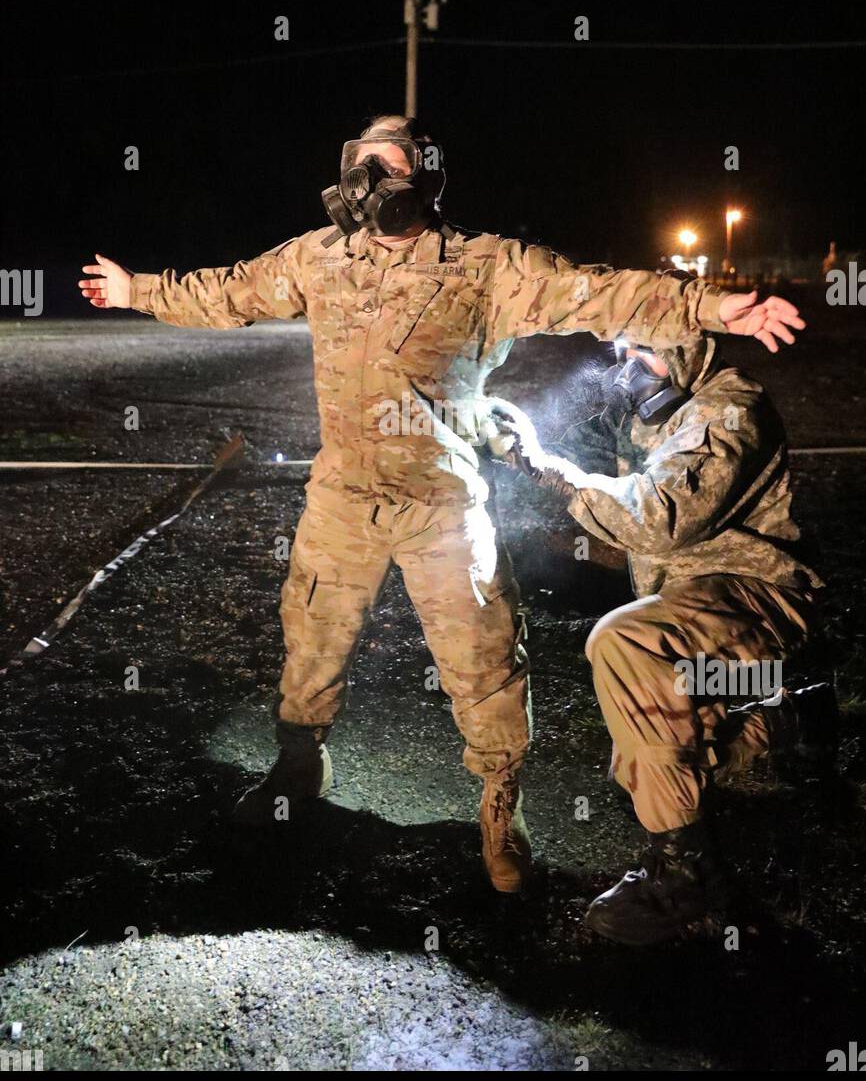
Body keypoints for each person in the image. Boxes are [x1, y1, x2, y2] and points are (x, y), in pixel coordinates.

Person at [78, 114, 806, 895]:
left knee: (483, 665)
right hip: (343, 498)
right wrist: (135, 291)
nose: (367, 185)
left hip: (442, 507)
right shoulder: (317, 258)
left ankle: (500, 808)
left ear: (424, 180)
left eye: (386, 169)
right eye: (359, 166)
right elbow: (226, 292)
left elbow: (595, 290)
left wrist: (713, 308)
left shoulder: (486, 268)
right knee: (311, 645)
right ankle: (297, 771)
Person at [487, 334, 832, 941]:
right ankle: (789, 717)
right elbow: (576, 457)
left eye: (640, 352)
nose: (624, 368)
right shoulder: (660, 413)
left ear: (686, 349)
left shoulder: (728, 412)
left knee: (626, 649)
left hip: (763, 608)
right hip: (713, 643)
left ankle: (685, 876)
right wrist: (504, 427)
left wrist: (542, 464)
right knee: (650, 727)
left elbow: (656, 518)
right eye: (617, 351)